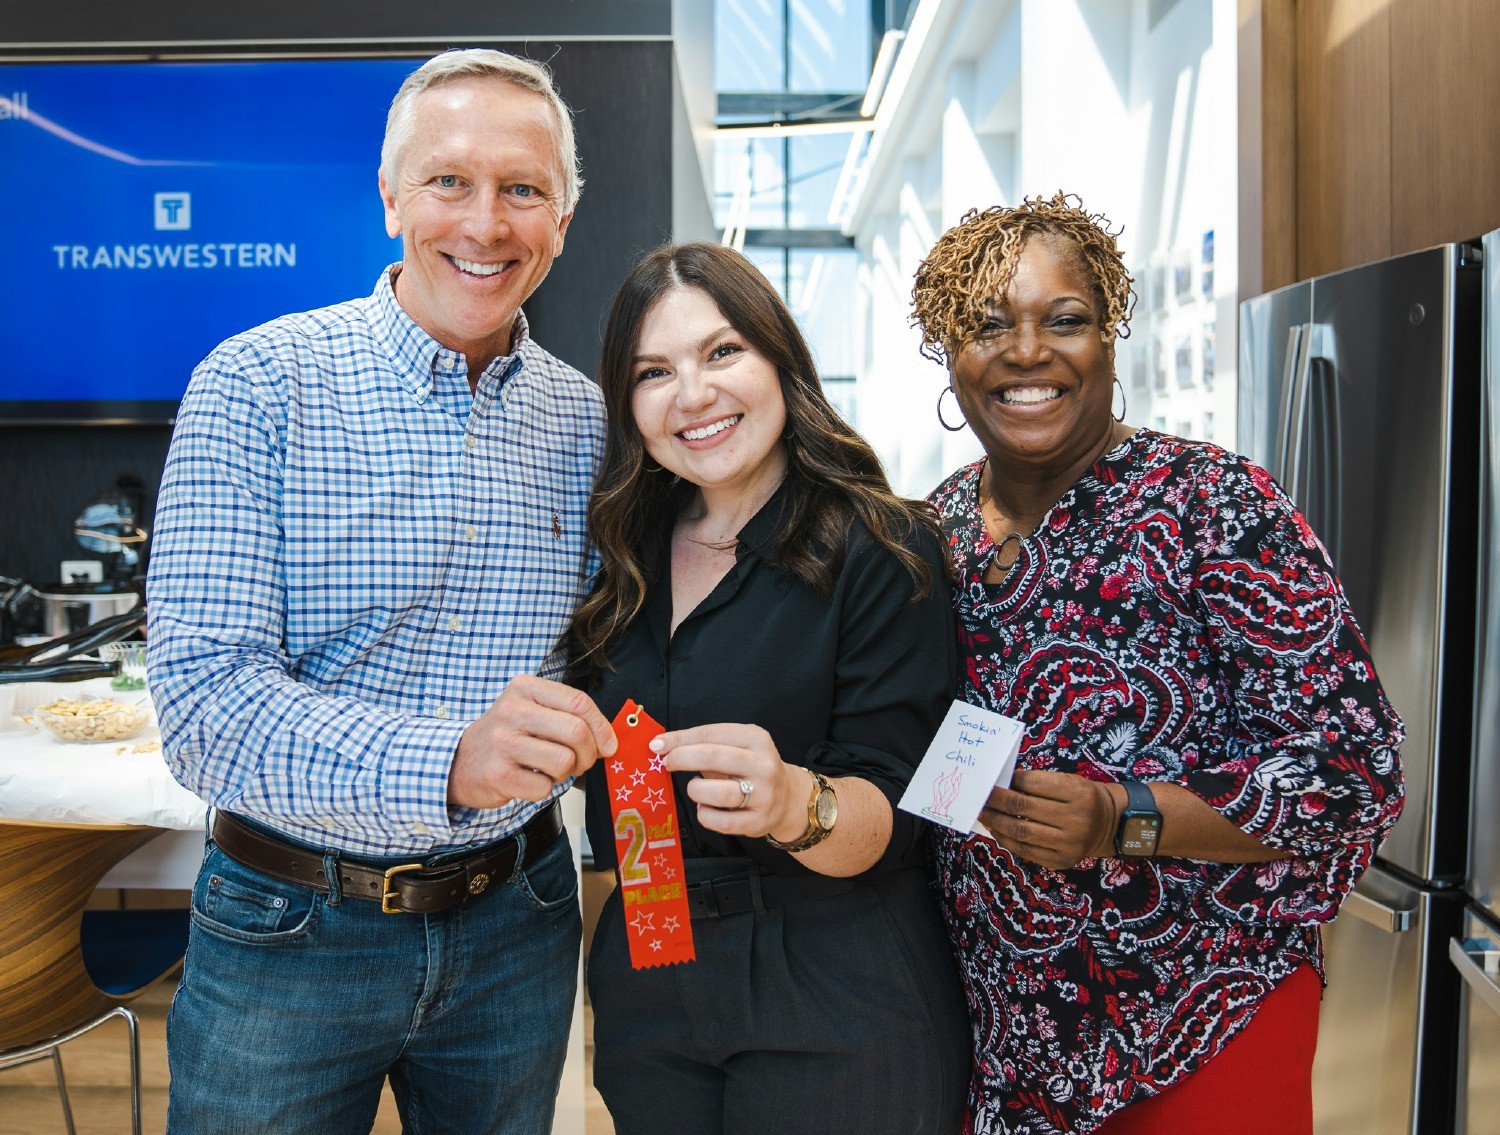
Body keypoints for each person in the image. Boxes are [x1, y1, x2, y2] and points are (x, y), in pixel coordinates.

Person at [146, 49, 617, 1135]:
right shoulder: (254, 386)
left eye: (523, 188)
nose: (486, 223)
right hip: (287, 925)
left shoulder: (594, 426)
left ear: (565, 212)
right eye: (449, 181)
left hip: (520, 918)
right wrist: (450, 761)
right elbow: (205, 712)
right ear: (391, 195)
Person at [909, 193, 1405, 1135]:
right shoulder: (930, 532)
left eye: (1067, 320)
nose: (1027, 352)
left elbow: (1354, 769)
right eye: (986, 326)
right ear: (948, 353)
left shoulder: (1214, 504)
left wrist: (1120, 817)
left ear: (1109, 339)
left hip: (1204, 1012)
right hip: (1001, 1034)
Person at [568, 242, 970, 1135]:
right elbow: (624, 805)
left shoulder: (882, 547)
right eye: (654, 371)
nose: (694, 393)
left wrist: (796, 800)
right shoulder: (620, 560)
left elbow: (905, 810)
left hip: (837, 981)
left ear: (779, 359)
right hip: (653, 963)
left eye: (722, 352)